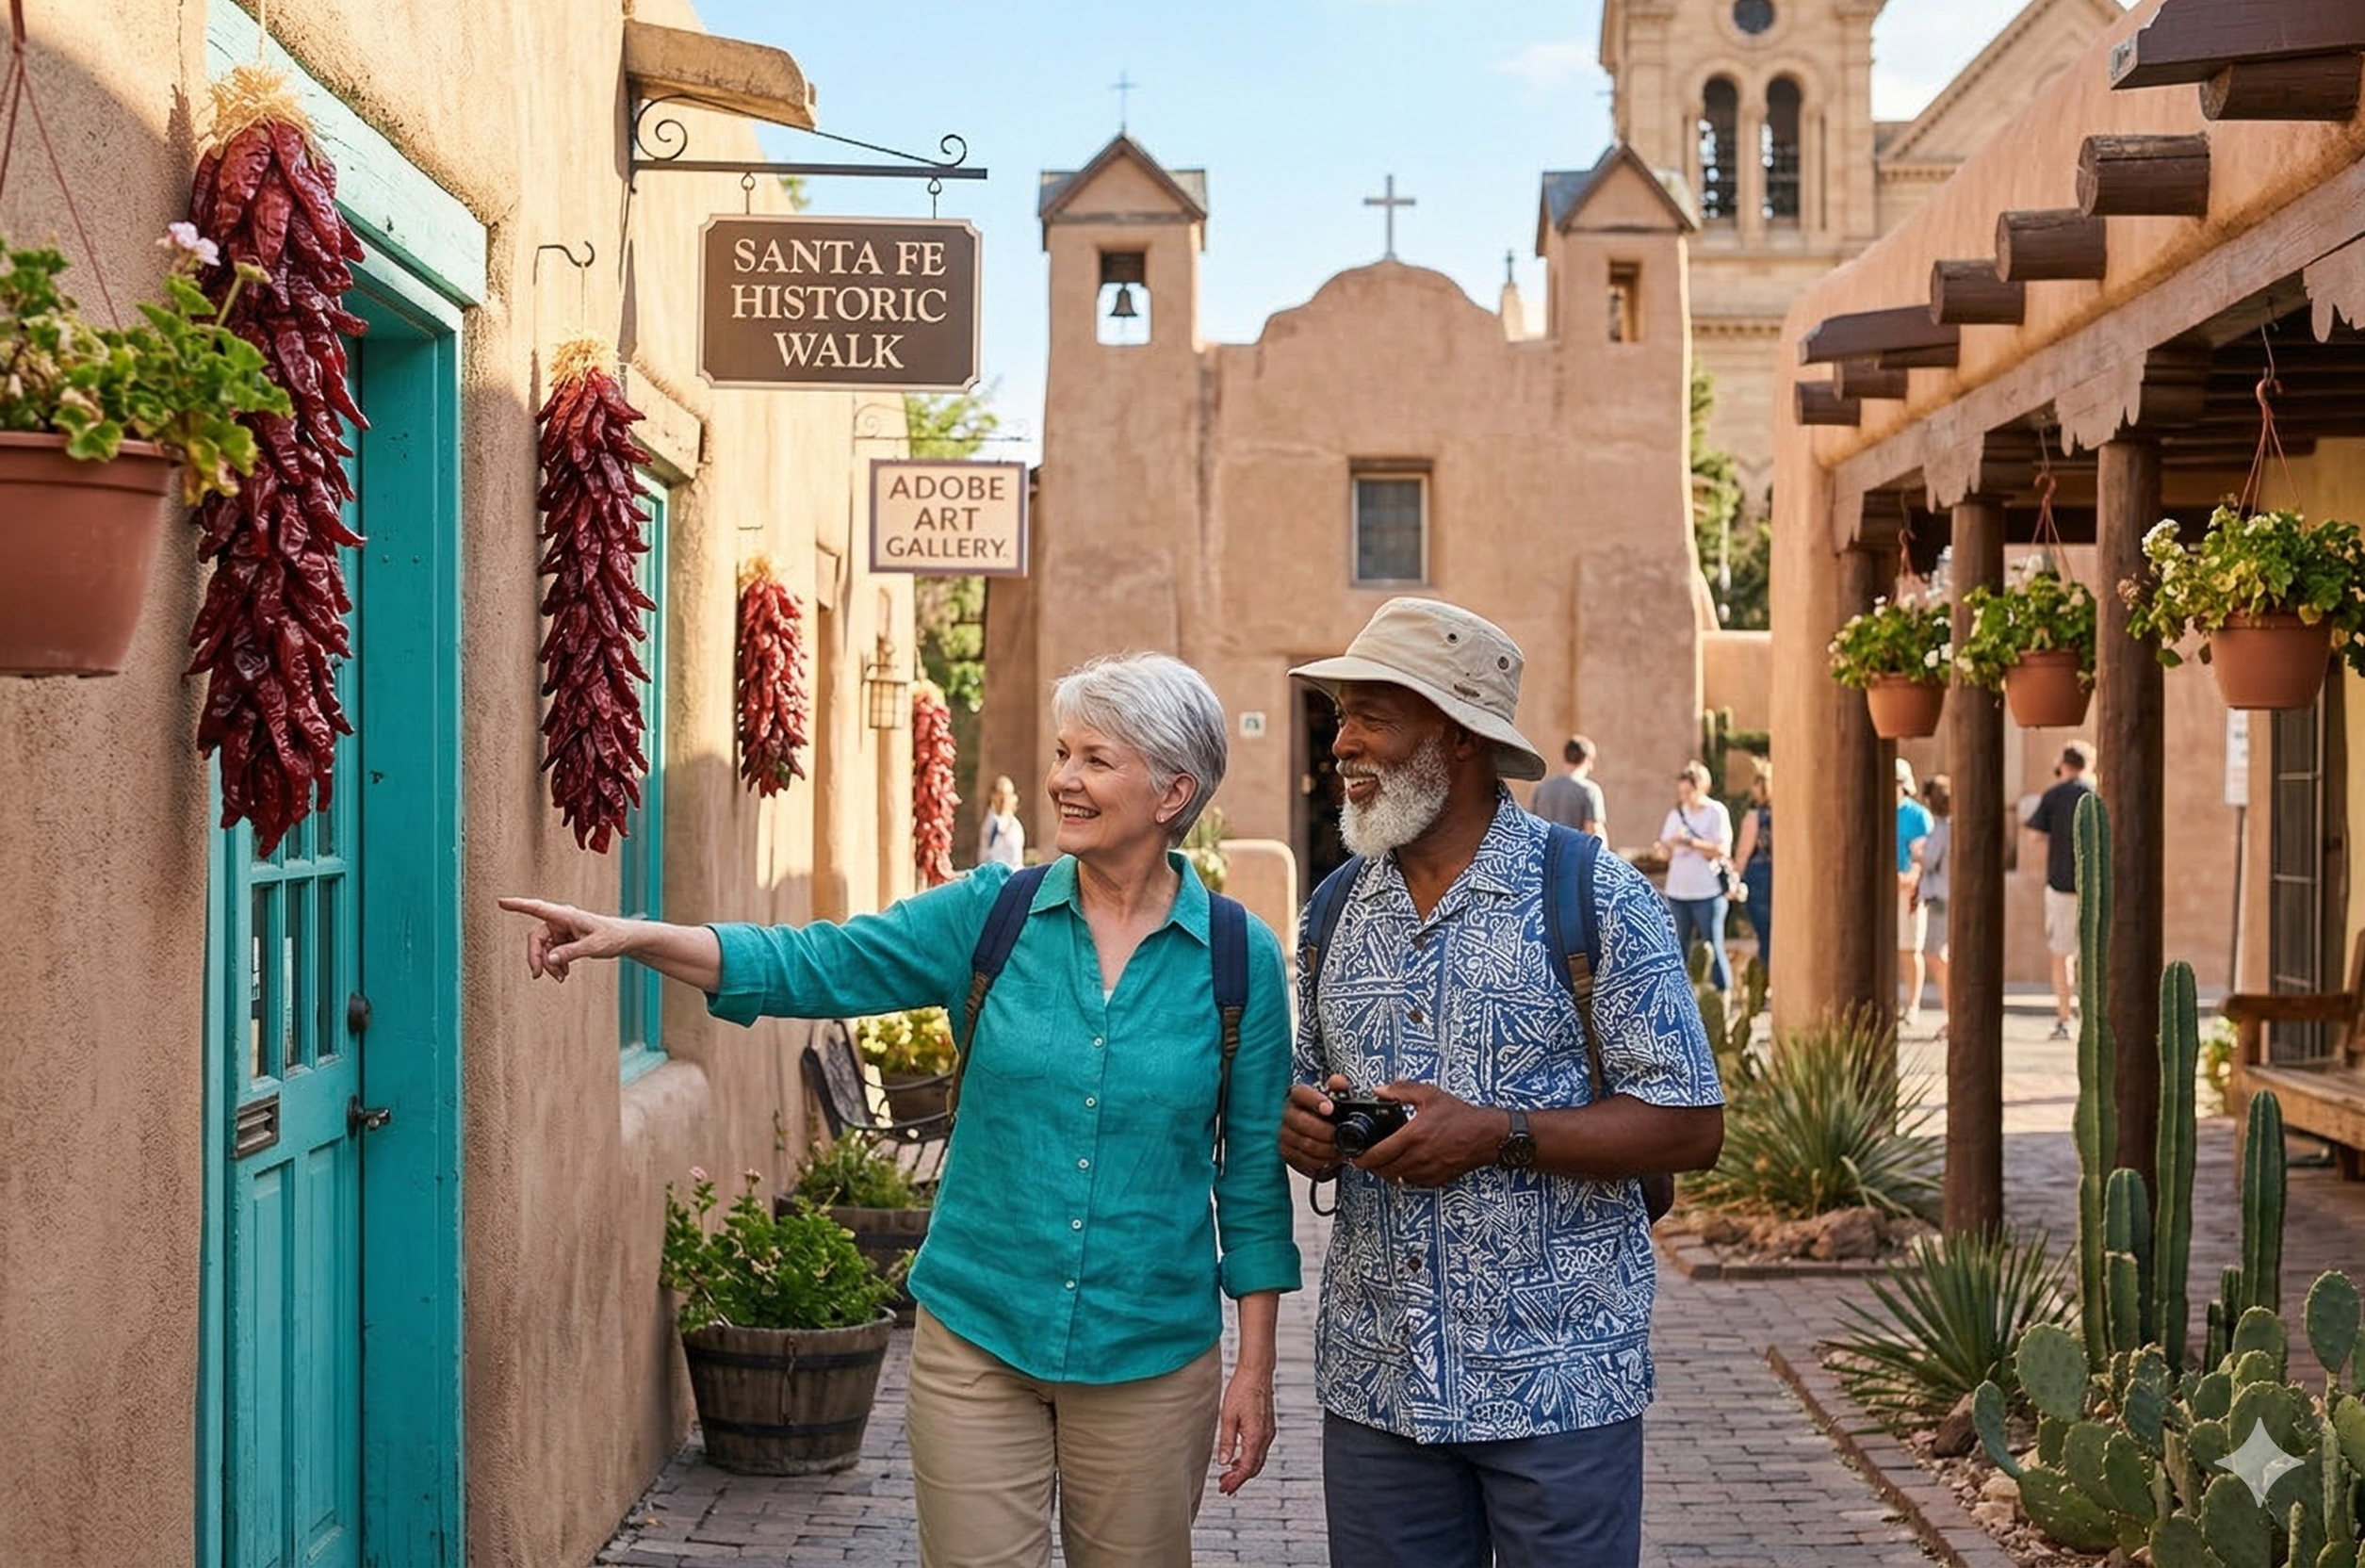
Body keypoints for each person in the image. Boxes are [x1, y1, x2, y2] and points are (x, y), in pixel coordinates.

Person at [500, 653, 1301, 1568]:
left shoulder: (1237, 960)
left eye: (1093, 759)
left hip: (1150, 1356)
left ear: (1173, 791)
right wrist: (635, 937)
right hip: (977, 1334)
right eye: (1060, 751)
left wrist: (1255, 1366)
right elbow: (820, 961)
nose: (1060, 780)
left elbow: (1247, 1182)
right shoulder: (990, 914)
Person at [1276, 596, 1724, 1568]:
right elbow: (1307, 1078)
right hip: (1377, 1384)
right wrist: (1304, 1124)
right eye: (1341, 715)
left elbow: (1690, 1122)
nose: (1342, 742)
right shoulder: (1333, 907)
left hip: (1559, 1383)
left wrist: (1498, 1131)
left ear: (1461, 738)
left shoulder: (1596, 896)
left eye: (1373, 717)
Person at [2024, 740, 2096, 1041]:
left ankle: (2064, 1018)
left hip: (2060, 884)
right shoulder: (2095, 795)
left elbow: (2034, 835)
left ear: (2064, 765)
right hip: (2092, 884)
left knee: (2061, 954)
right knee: (2093, 954)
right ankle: (2092, 1017)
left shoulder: (2054, 796)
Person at [1656, 760, 1735, 994]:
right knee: (1678, 948)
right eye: (1681, 793)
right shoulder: (1676, 814)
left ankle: (1723, 995)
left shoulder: (1715, 812)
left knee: (1713, 945)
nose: (1685, 797)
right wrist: (1668, 845)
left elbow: (1722, 849)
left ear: (1701, 788)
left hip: (1707, 892)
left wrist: (1690, 841)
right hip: (1678, 891)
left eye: (1689, 792)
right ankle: (1679, 997)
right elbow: (1663, 852)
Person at [1896, 759, 1933, 1026]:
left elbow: (1925, 856)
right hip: (1882, 888)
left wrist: (1911, 878)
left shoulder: (1918, 815)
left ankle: (1912, 1005)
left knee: (1910, 949)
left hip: (1909, 891)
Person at [1731, 758, 1773, 977]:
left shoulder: (1754, 816)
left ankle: (1767, 980)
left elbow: (1744, 851)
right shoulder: (1783, 816)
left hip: (1758, 878)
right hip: (1780, 877)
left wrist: (1735, 877)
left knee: (1765, 934)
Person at [1917, 775, 1952, 1031]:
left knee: (1935, 953)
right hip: (1945, 894)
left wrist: (1918, 851)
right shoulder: (1950, 826)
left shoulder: (1941, 828)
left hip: (1940, 896)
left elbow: (1929, 859)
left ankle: (1951, 1010)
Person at [1529, 733, 1607, 840]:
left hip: (1545, 853)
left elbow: (1533, 825)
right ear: (1587, 759)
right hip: (1575, 854)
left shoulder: (1542, 788)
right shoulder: (1590, 790)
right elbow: (1594, 832)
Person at [976, 773, 1025, 870]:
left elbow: (1017, 860)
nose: (1004, 799)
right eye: (1000, 794)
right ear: (993, 796)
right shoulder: (988, 825)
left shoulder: (1015, 827)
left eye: (1007, 795)